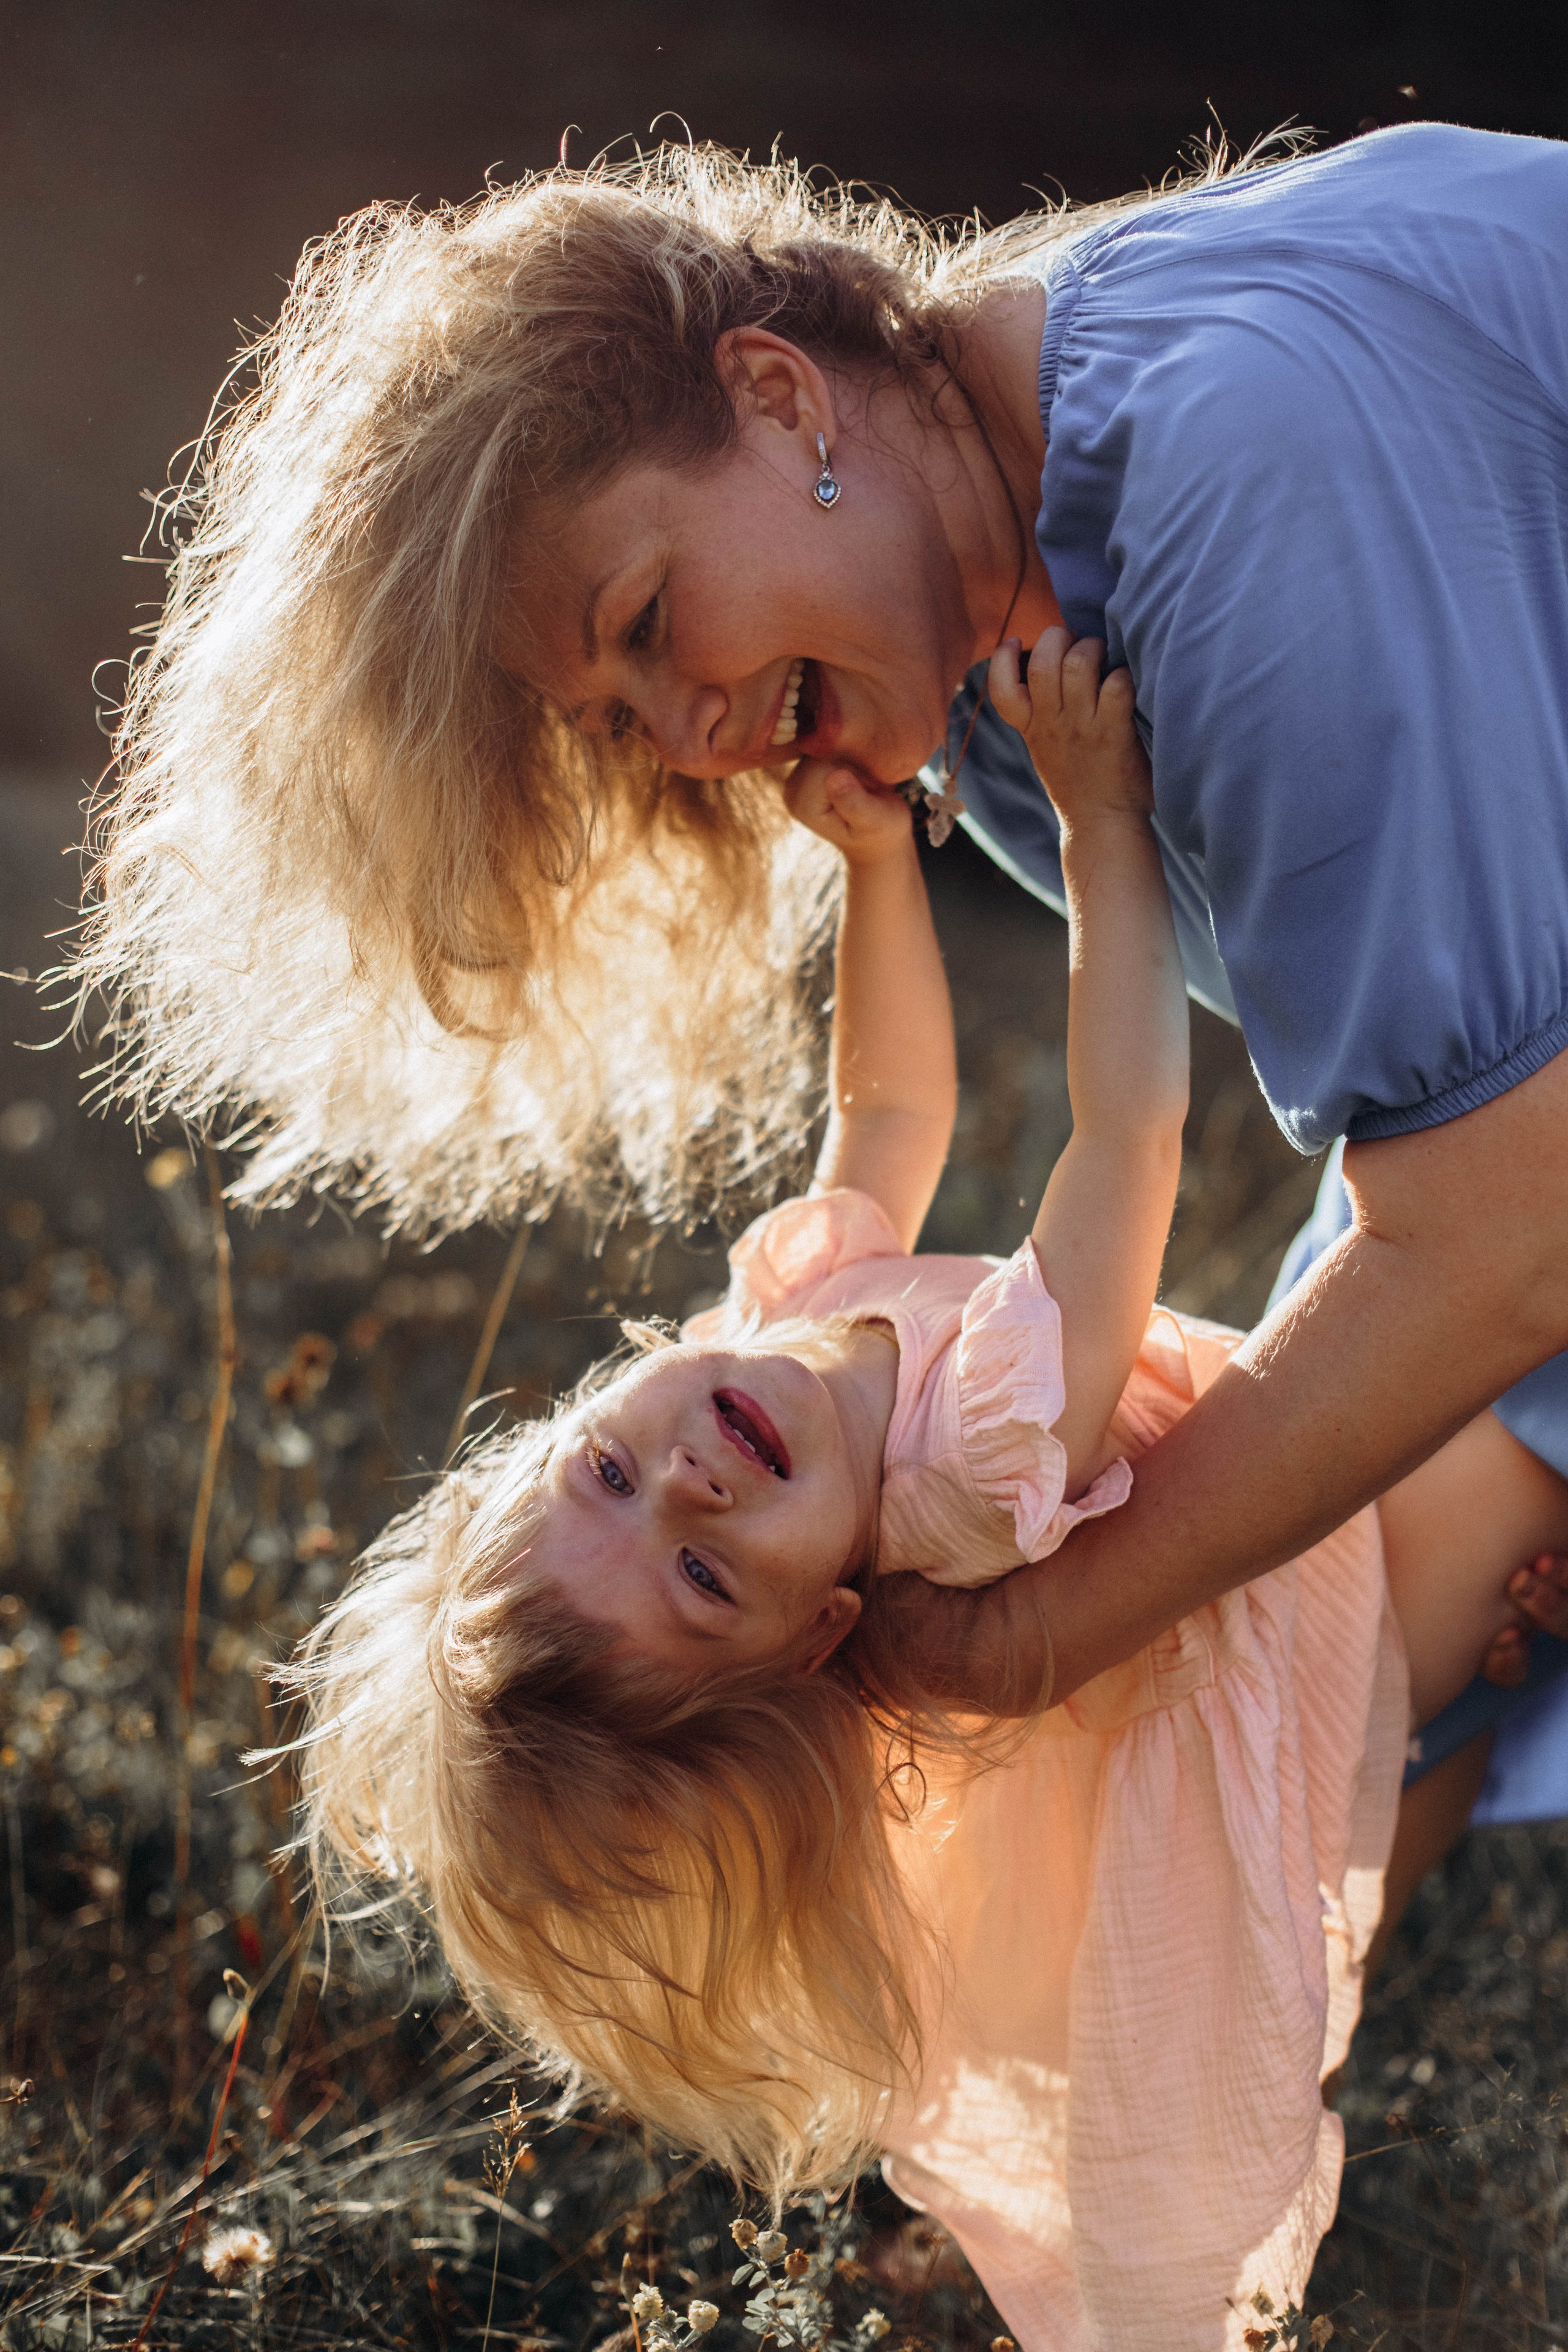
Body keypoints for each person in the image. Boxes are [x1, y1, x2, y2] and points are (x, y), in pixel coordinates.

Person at [80, 129, 1568, 1796]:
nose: (698, 736)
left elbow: (1504, 1219)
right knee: (1346, 1660)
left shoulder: (1233, 475)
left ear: (784, 399)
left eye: (648, 623)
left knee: (1321, 1673)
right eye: (624, 725)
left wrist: (1050, 1630)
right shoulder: (991, 694)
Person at [290, 636, 1568, 2348]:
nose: (687, 1483)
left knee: (1449, 1626)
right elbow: (1124, 1138)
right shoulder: (978, 1465)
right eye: (703, 1579)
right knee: (1513, 1412)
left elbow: (884, 1106)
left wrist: (879, 862)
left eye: (608, 1466)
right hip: (1358, 1583)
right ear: (825, 1629)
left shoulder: (788, 1328)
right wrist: (1100, 823)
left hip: (1324, 1545)